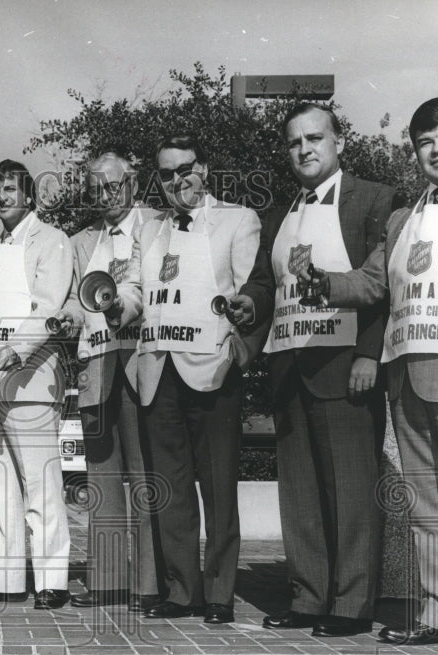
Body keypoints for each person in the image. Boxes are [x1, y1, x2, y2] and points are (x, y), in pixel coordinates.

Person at [309, 98, 438, 655]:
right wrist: (322, 282)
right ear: (416, 151)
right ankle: (433, 611)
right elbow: (374, 284)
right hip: (408, 376)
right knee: (426, 504)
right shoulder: (404, 218)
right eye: (426, 142)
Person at [229, 103, 393, 638]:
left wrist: (370, 353)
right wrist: (249, 305)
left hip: (345, 365)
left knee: (350, 489)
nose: (305, 149)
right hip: (289, 365)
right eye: (295, 142)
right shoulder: (279, 214)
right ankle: (308, 596)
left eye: (316, 138)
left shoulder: (373, 199)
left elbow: (385, 287)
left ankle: (350, 604)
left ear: (339, 141)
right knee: (299, 492)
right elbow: (263, 282)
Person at [135, 135, 261, 623]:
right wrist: (116, 303)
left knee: (218, 486)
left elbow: (251, 292)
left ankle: (220, 594)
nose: (176, 181)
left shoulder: (237, 218)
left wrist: (239, 346)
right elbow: (133, 291)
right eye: (165, 174)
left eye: (184, 169)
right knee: (172, 488)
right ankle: (182, 591)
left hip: (211, 368)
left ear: (203, 169)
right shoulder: (148, 229)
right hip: (158, 368)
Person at [0, 159, 73, 610]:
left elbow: (49, 306)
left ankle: (52, 580)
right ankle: (1, 577)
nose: (2, 197)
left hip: (30, 378)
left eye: (10, 189)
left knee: (41, 481)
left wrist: (18, 347)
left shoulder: (51, 241)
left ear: (28, 194)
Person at [49, 149, 158, 611]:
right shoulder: (80, 242)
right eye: (96, 190)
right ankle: (109, 581)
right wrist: (67, 320)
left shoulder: (158, 225)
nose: (106, 196)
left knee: (146, 475)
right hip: (97, 363)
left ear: (132, 183)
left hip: (143, 360)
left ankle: (151, 584)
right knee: (103, 475)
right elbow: (75, 299)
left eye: (113, 186)